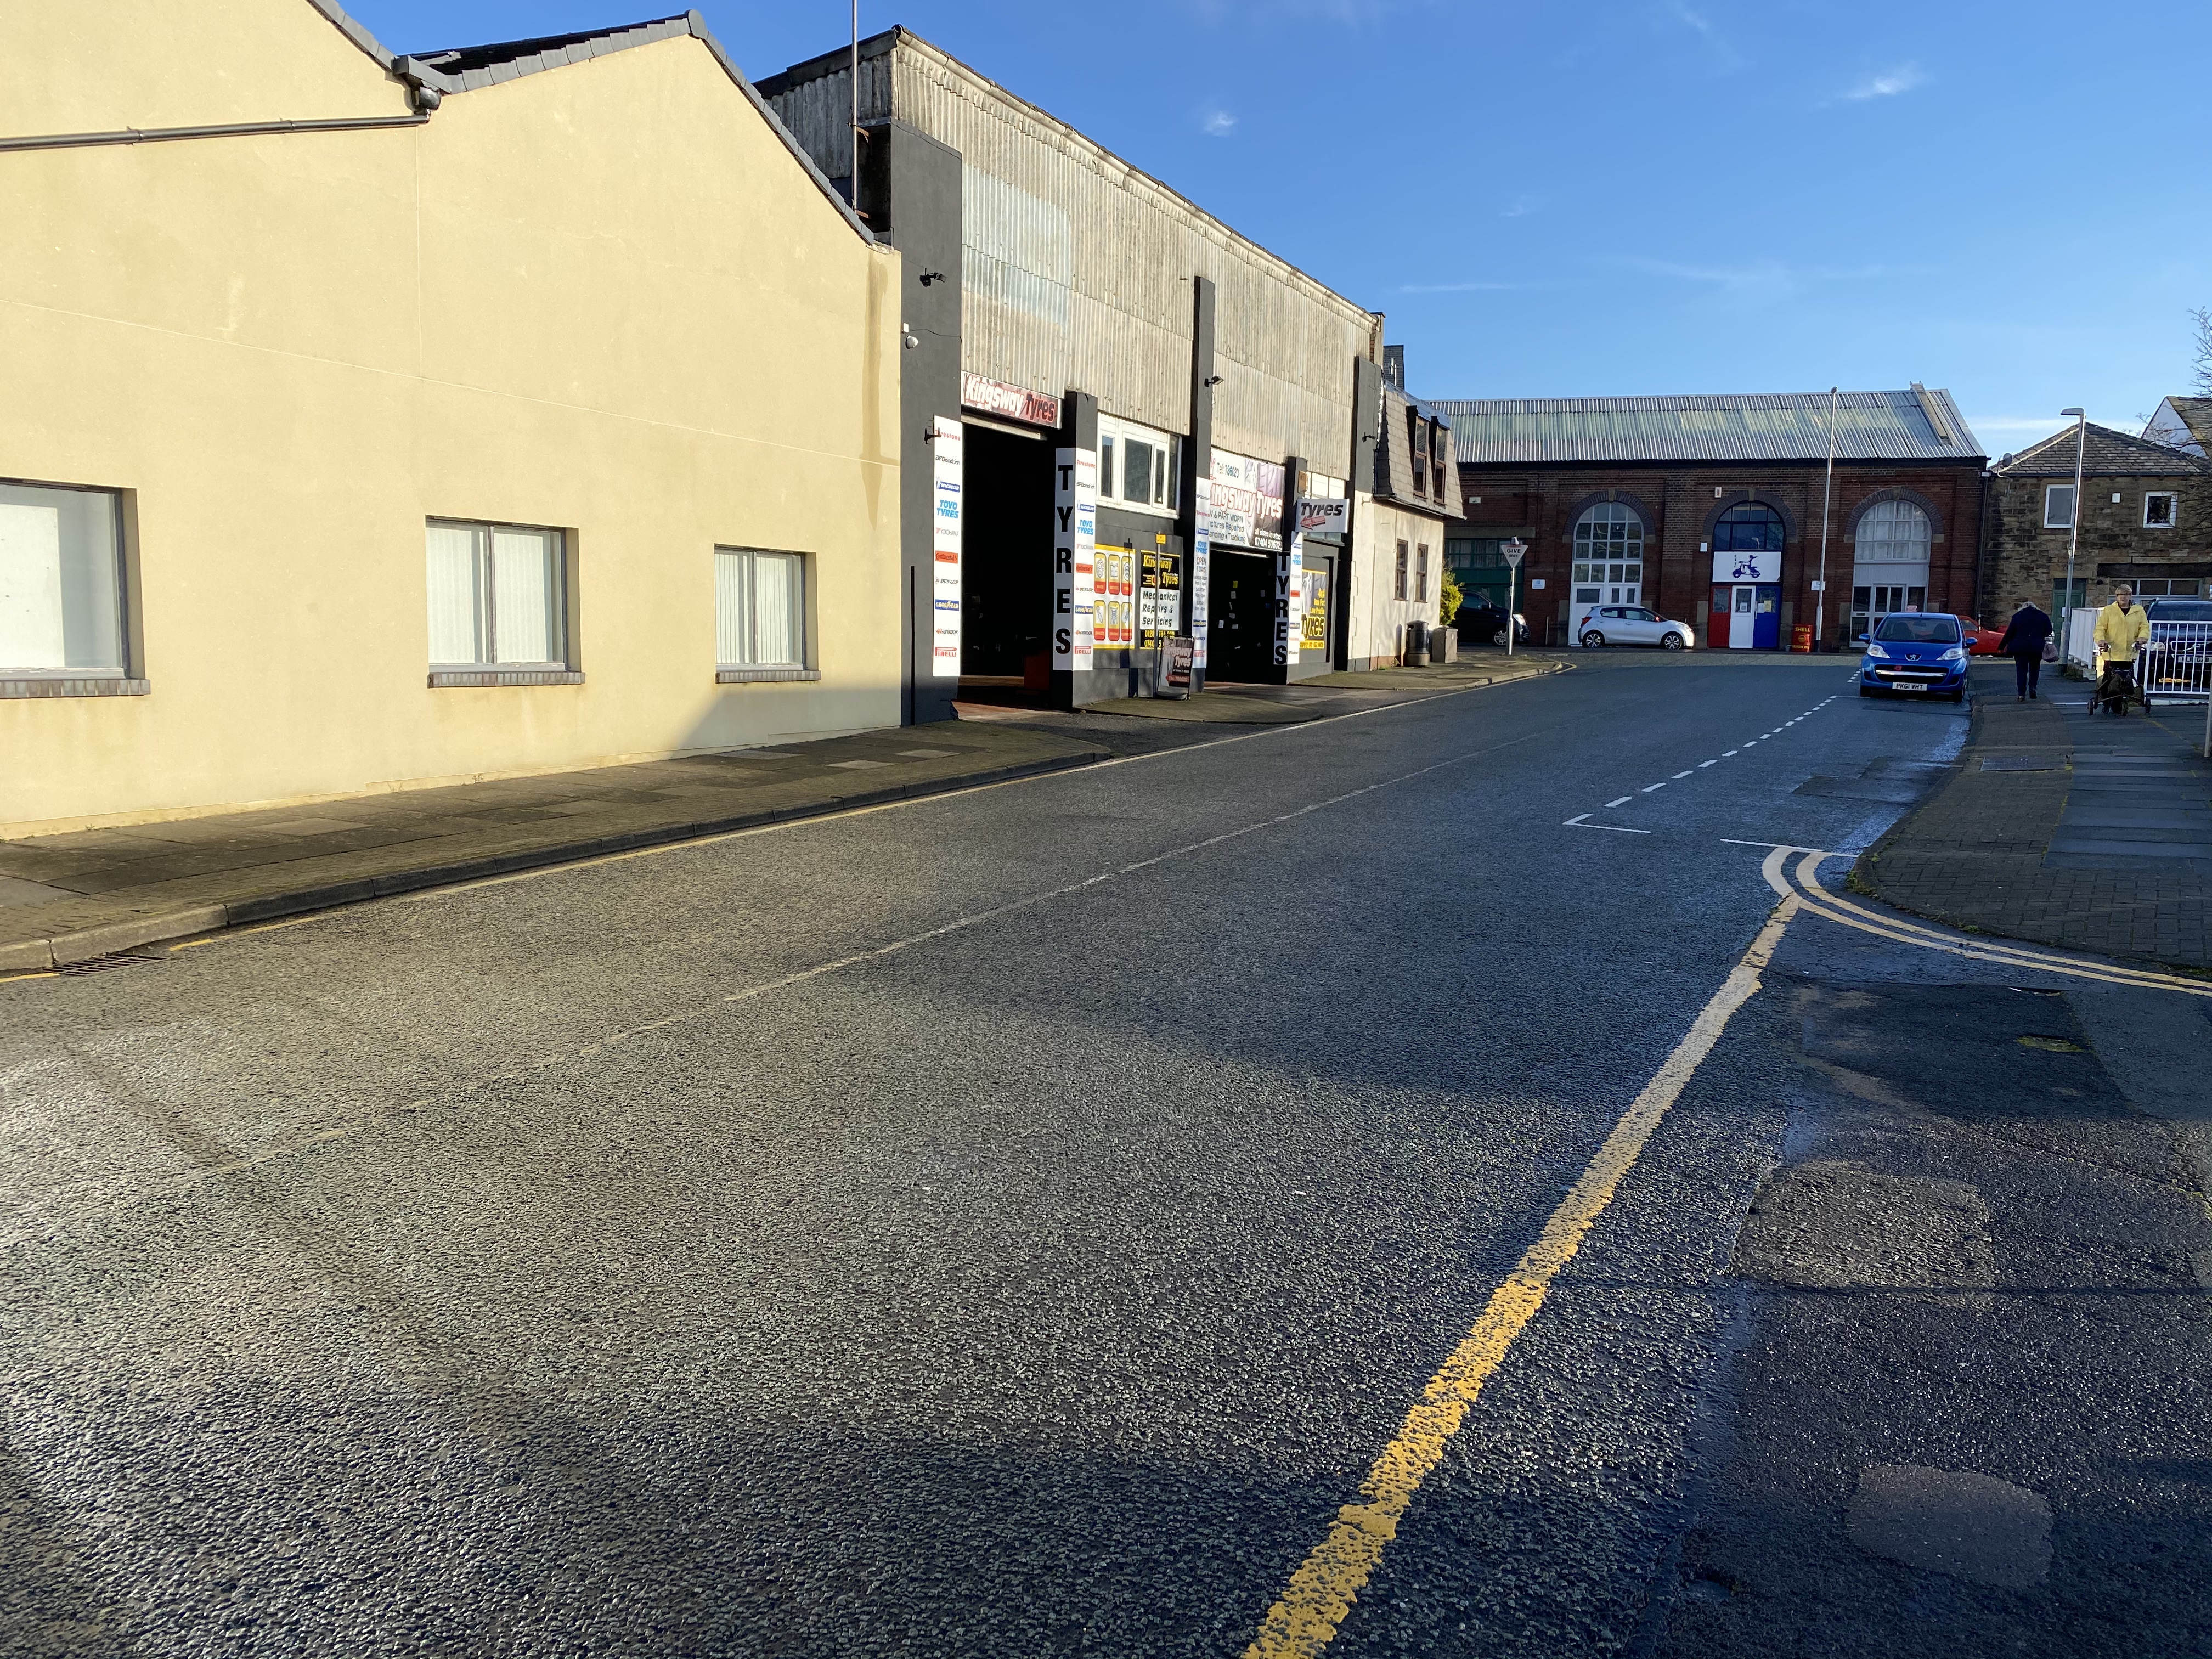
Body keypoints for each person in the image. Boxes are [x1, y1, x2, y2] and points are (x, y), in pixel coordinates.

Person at [2092, 586, 2151, 715]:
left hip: (2129, 652)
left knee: (2126, 679)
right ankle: (2106, 703)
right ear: (2116, 597)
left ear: (2131, 596)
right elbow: (2100, 628)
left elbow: (2144, 627)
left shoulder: (2138, 611)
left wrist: (2142, 637)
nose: (2123, 597)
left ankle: (2118, 704)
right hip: (2112, 652)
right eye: (2120, 594)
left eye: (2126, 594)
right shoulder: (2109, 610)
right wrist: (2101, 640)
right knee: (2108, 679)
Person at [1995, 599, 2053, 701]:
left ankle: (2021, 695)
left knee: (2021, 671)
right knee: (2034, 670)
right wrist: (2039, 636)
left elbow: (2009, 634)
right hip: (2036, 648)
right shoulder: (2042, 616)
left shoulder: (2018, 617)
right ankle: (2032, 688)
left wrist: (2001, 646)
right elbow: (2049, 630)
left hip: (2020, 648)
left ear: (2022, 608)